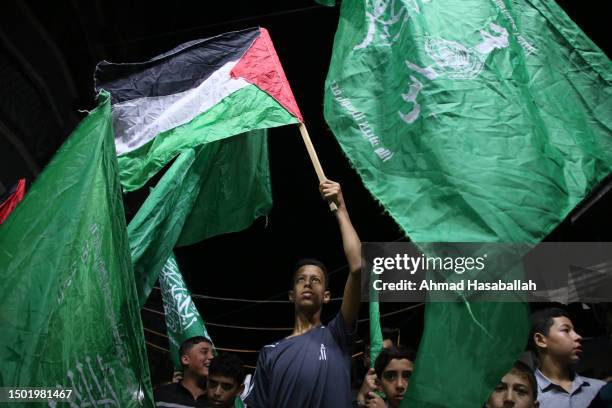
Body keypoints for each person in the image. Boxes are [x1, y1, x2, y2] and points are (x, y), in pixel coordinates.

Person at [245, 180, 362, 408]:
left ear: (327, 296)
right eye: (301, 280)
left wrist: (340, 208)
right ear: (291, 295)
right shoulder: (270, 353)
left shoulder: (336, 336)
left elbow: (358, 268)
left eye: (315, 280)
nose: (308, 284)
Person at [530, 307, 605, 407]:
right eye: (566, 330)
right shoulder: (527, 394)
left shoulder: (600, 389)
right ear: (541, 340)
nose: (578, 336)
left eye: (574, 331)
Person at [154, 336, 214, 407]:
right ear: (185, 360)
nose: (212, 357)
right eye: (204, 352)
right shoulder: (161, 395)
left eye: (212, 353)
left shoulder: (218, 400)